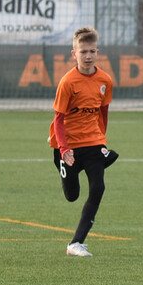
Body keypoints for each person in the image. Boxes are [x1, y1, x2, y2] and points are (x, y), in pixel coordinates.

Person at [48, 26, 119, 256]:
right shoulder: (68, 82)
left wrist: (102, 142)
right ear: (74, 54)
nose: (87, 56)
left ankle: (75, 243)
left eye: (91, 51)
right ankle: (67, 169)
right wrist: (64, 148)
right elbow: (58, 120)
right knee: (72, 196)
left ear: (98, 52)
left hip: (93, 142)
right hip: (66, 145)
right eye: (83, 52)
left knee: (98, 187)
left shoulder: (105, 80)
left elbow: (103, 113)